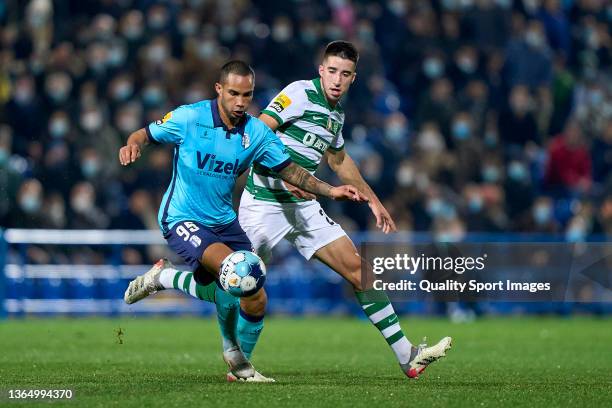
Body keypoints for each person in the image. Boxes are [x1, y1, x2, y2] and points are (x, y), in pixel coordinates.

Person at [130, 42, 452, 380]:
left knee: (361, 272)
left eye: (345, 74)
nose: (337, 79)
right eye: (332, 71)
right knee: (236, 283)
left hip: (305, 207)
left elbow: (339, 160)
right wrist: (282, 178)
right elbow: (256, 133)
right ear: (320, 70)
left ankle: (407, 356)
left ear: (353, 78)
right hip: (265, 204)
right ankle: (166, 278)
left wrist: (373, 199)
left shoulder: (336, 114)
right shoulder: (297, 94)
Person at [120, 60, 368, 382]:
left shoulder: (256, 132)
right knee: (235, 272)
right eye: (233, 93)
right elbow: (144, 133)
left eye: (247, 95)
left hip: (224, 220)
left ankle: (165, 278)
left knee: (254, 296)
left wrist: (331, 191)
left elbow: (291, 171)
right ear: (219, 89)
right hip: (182, 217)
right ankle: (237, 360)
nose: (240, 102)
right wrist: (132, 145)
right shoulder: (189, 117)